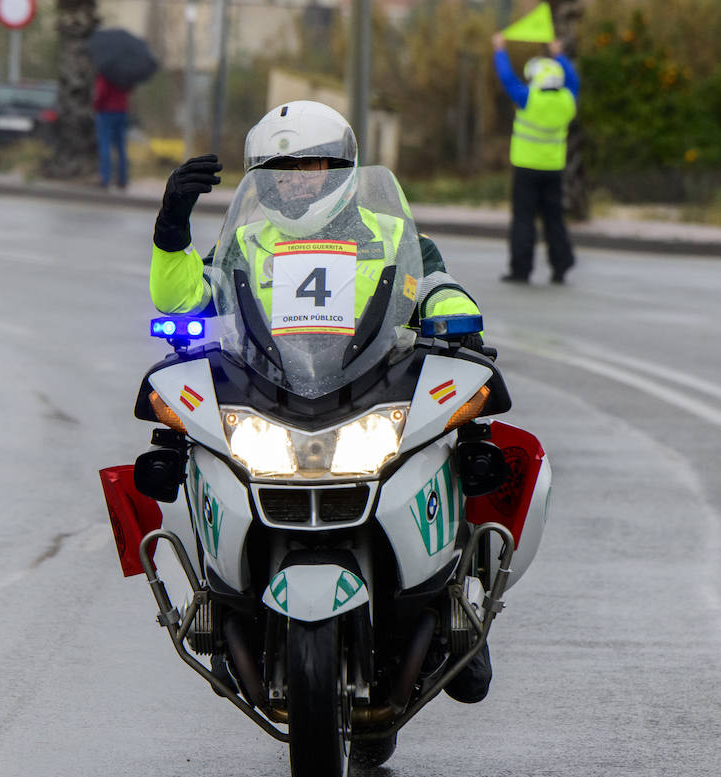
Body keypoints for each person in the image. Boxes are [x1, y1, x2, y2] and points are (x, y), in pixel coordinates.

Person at [149, 100, 492, 704]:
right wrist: (171, 231)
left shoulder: (388, 233)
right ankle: (222, 598)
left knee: (476, 450)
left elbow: (435, 282)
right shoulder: (248, 242)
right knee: (188, 457)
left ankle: (462, 596)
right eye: (279, 169)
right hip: (273, 394)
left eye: (309, 166)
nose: (294, 180)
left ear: (342, 169)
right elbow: (187, 301)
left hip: (371, 387)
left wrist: (451, 314)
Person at [493, 34, 579, 284]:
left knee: (523, 219)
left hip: (526, 168)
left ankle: (521, 270)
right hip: (553, 169)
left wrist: (500, 50)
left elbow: (507, 79)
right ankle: (561, 266)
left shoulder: (528, 98)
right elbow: (573, 80)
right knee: (554, 219)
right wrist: (559, 55)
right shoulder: (567, 100)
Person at [94, 74, 131, 190]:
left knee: (105, 144)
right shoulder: (124, 74)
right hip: (122, 111)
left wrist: (96, 105)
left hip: (106, 112)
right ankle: (123, 179)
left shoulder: (105, 74)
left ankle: (105, 178)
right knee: (121, 146)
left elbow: (101, 94)